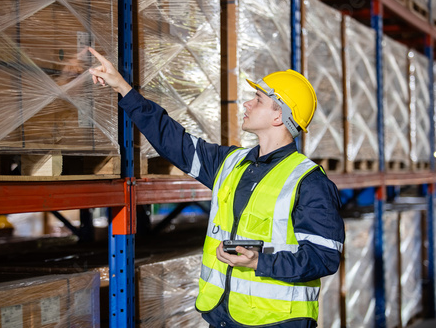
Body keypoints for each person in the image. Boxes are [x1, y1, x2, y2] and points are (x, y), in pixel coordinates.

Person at [88, 47, 345, 328]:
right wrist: (123, 88)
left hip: (276, 322)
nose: (247, 104)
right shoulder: (231, 163)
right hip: (223, 316)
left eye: (257, 99)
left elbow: (324, 258)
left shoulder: (308, 181)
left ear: (278, 116)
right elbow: (173, 140)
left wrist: (260, 262)